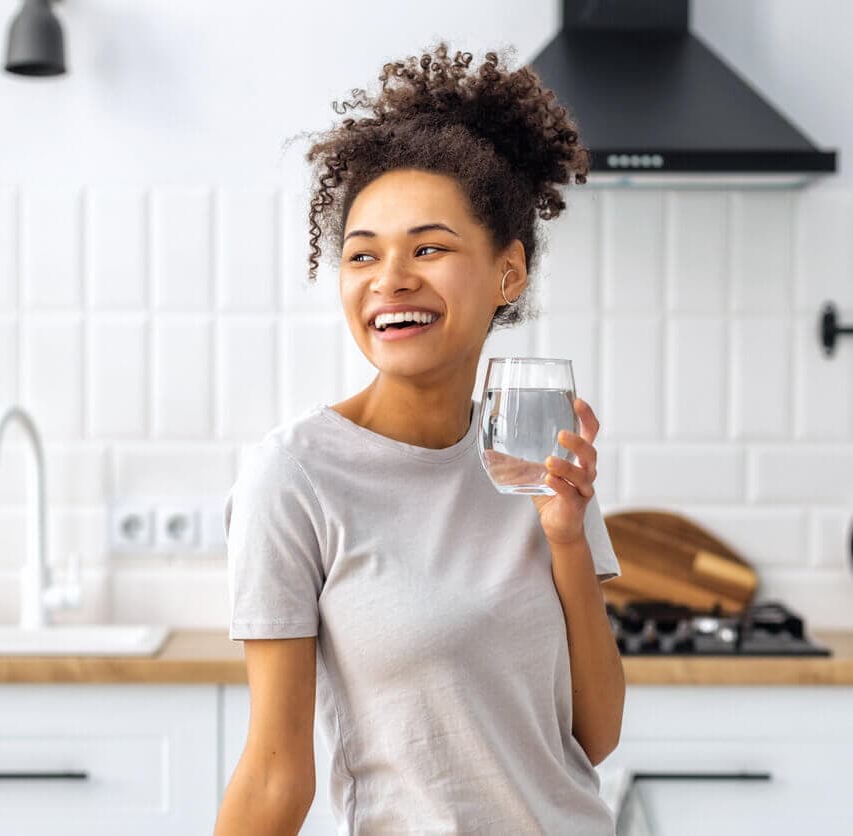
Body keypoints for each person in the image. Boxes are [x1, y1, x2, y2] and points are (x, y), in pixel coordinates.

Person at [213, 42, 625, 835]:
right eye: (362, 255)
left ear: (508, 274)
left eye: (428, 248)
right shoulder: (293, 478)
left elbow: (594, 737)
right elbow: (274, 774)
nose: (389, 278)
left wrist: (567, 539)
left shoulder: (538, 453)